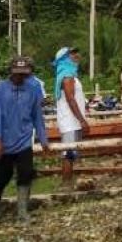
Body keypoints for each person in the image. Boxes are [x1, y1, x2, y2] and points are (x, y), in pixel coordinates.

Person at [0, 57, 48, 222]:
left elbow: (37, 116)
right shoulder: (0, 89)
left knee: (26, 174)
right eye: (17, 75)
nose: (20, 78)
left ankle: (22, 211)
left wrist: (43, 139)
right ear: (11, 73)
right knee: (0, 176)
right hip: (4, 141)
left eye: (24, 75)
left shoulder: (33, 89)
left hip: (24, 140)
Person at [53, 47, 91, 190]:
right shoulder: (67, 76)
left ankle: (68, 182)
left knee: (71, 152)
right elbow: (70, 99)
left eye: (76, 52)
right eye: (72, 54)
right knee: (68, 153)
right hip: (70, 121)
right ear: (64, 59)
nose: (77, 55)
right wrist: (82, 120)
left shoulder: (70, 75)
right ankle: (66, 183)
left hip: (72, 121)